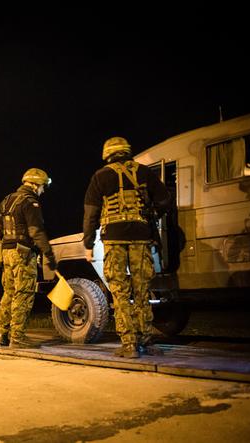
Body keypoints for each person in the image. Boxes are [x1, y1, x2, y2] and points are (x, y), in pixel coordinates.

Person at [83, 136, 171, 358]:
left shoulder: (100, 176)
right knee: (142, 290)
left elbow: (91, 214)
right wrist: (151, 215)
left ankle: (129, 345)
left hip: (113, 239)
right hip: (141, 237)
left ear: (107, 154)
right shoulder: (144, 172)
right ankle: (146, 340)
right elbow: (164, 200)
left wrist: (88, 244)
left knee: (120, 291)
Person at [0, 168, 57, 348]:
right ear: (35, 185)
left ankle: (2, 335)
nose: (43, 190)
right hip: (23, 253)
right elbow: (36, 231)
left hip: (7, 252)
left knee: (9, 292)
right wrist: (49, 254)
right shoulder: (30, 202)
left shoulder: (7, 200)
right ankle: (18, 337)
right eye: (42, 186)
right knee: (23, 294)